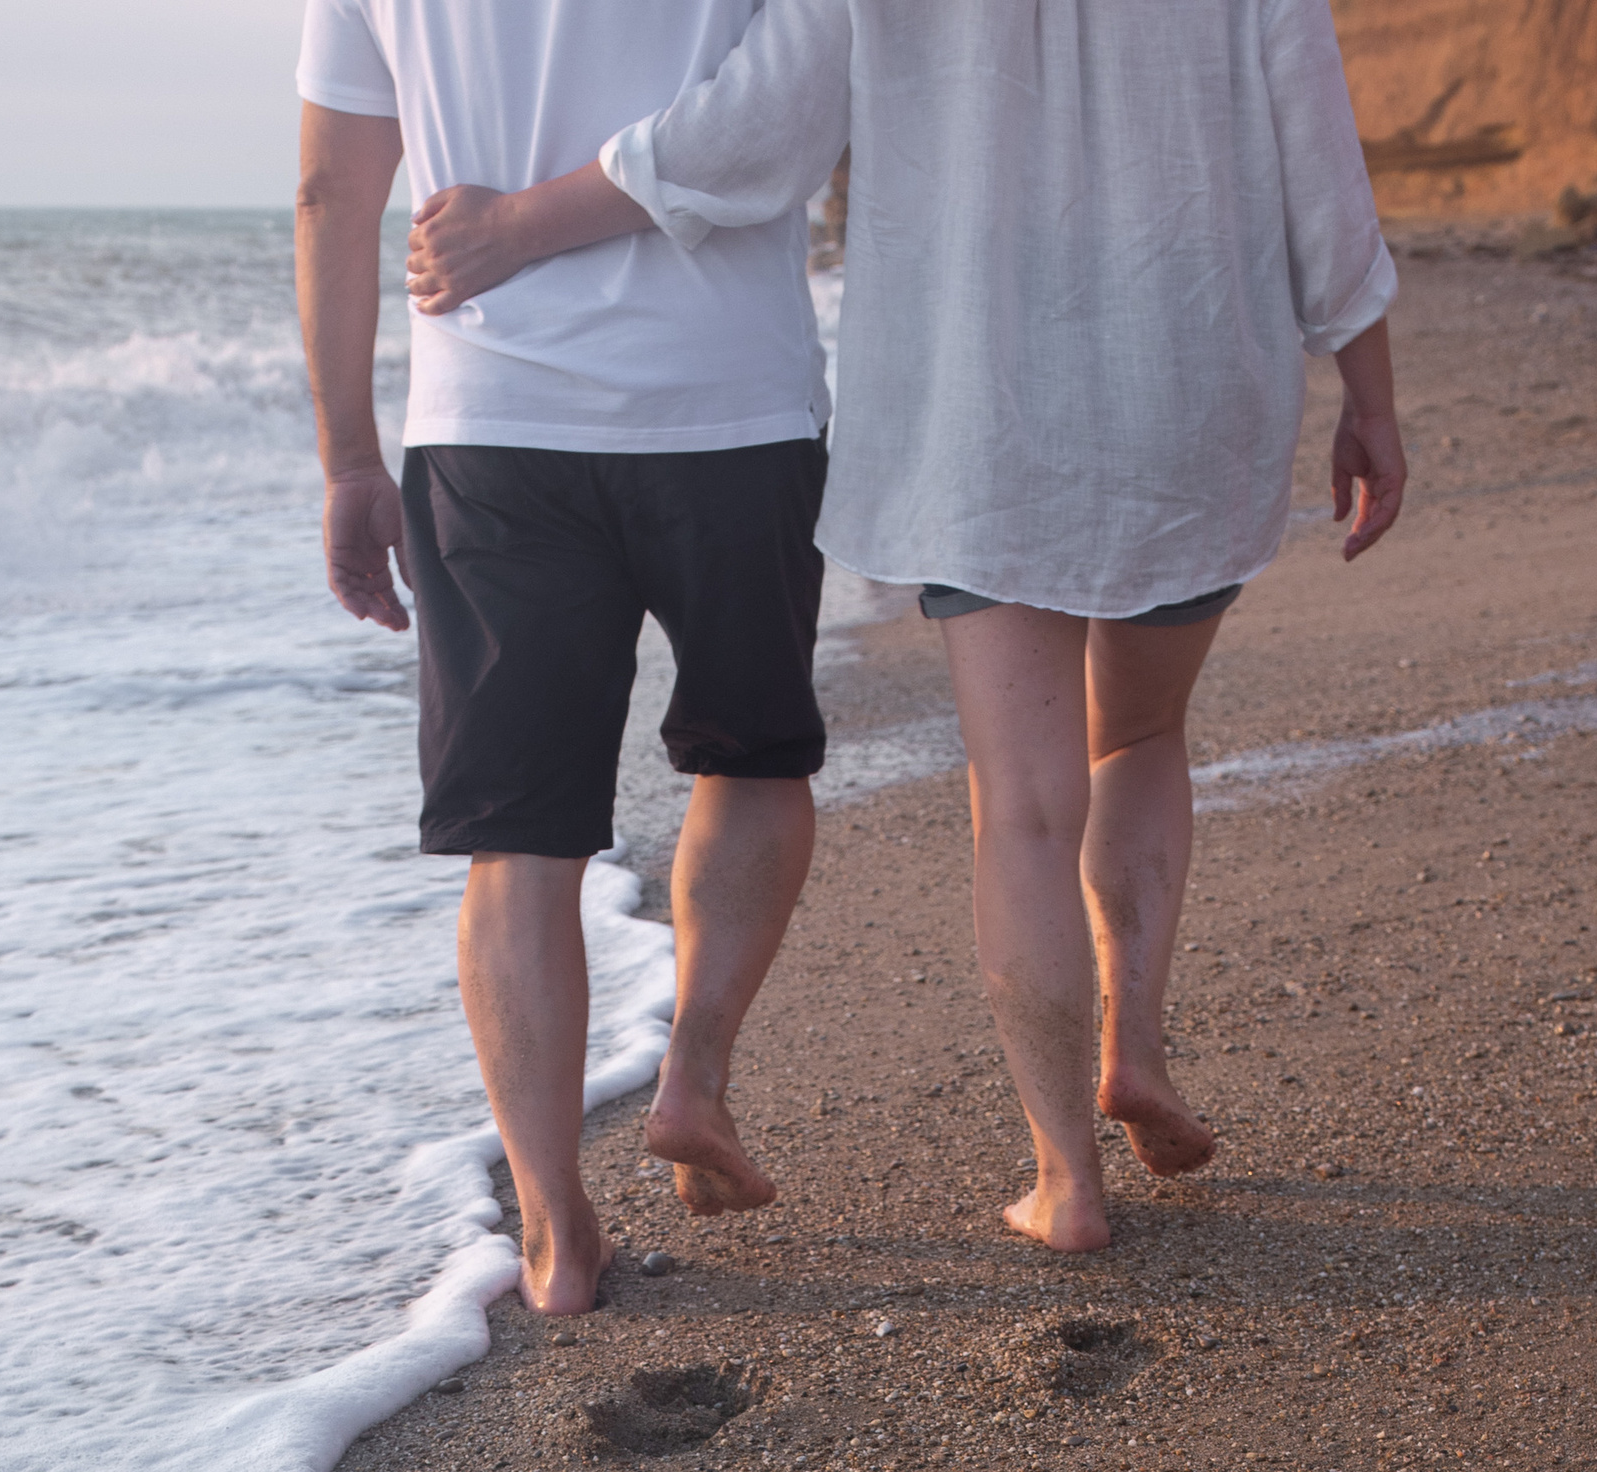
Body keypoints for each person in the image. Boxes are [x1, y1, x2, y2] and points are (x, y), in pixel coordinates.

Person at [407, 0, 1405, 1257]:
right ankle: (1135, 1048)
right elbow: (1320, 162)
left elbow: (755, 125)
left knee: (1023, 806)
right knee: (1141, 735)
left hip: (973, 397)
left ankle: (1066, 1180)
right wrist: (1369, 393)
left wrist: (517, 226)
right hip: (1187, 369)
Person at [294, 0, 836, 1314]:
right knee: (753, 760)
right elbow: (796, 111)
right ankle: (694, 1074)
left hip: (490, 420)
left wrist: (349, 457)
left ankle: (553, 1230)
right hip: (727, 405)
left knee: (518, 841)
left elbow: (331, 191)